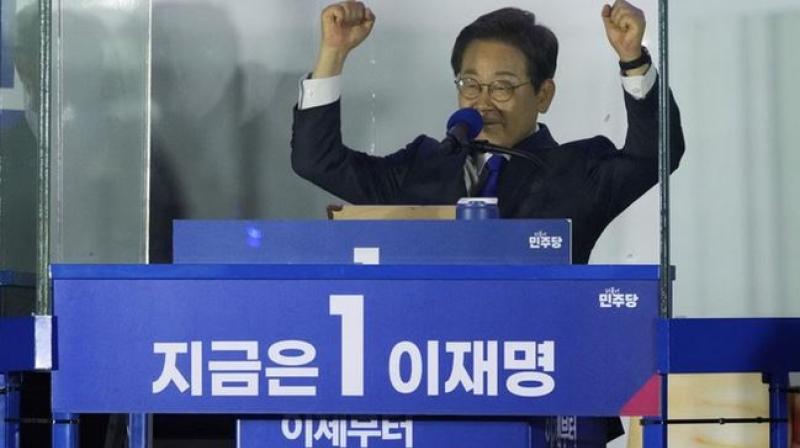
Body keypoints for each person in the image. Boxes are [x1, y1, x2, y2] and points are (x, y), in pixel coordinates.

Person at [291, 0, 685, 445]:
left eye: (502, 87)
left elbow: (656, 153)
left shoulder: (576, 170)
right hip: (433, 393)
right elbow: (317, 161)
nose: (482, 102)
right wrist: (333, 52)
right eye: (469, 84)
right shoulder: (424, 165)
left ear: (543, 94)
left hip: (548, 394)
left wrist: (633, 60)